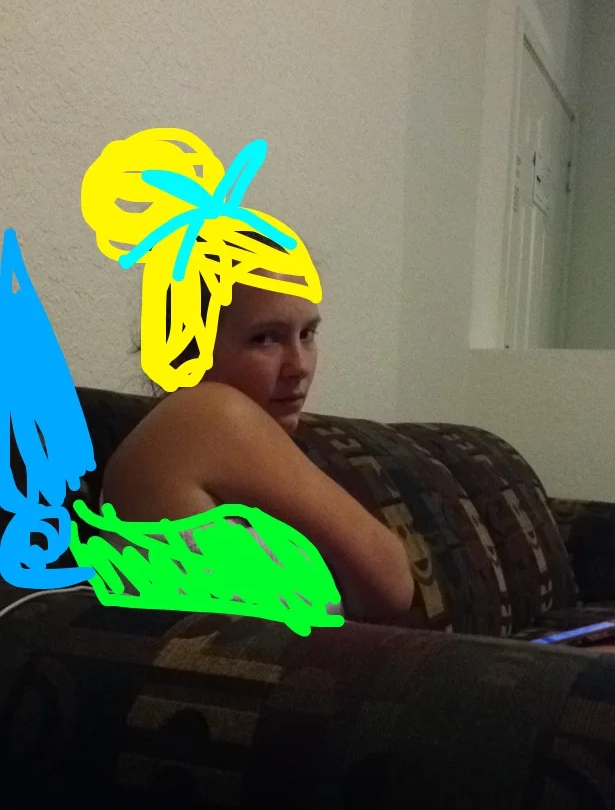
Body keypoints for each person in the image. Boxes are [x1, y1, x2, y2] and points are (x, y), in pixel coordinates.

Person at [101, 231, 416, 624]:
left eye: (307, 334)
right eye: (265, 339)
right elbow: (392, 583)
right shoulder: (208, 414)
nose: (300, 365)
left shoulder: (193, 440)